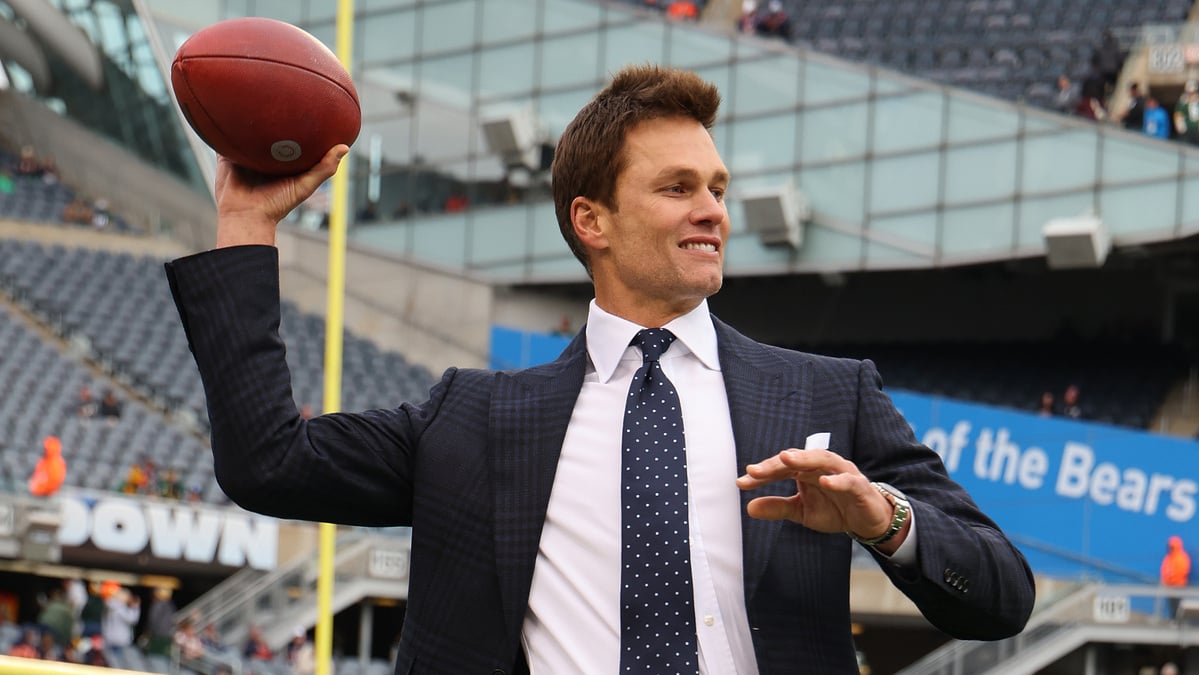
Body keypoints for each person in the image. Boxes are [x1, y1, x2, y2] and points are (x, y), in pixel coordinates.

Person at [165, 64, 1034, 673]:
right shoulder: (471, 418)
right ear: (593, 219)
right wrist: (248, 224)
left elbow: (1001, 594)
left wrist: (885, 519)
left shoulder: (827, 394)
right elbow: (267, 460)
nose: (713, 213)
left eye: (718, 188)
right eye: (678, 188)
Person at [100, 587, 139, 658]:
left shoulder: (110, 605)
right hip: (119, 640)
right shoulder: (119, 607)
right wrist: (135, 607)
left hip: (109, 637)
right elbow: (132, 619)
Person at [1161, 535, 1191, 619]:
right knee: (1172, 605)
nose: (1170, 548)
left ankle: (1179, 621)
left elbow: (1182, 571)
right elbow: (1164, 570)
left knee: (1178, 605)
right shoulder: (1168, 558)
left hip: (1179, 586)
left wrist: (1172, 579)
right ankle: (1173, 620)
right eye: (1170, 546)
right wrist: (1166, 581)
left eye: (1172, 547)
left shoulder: (1182, 558)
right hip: (1170, 587)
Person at [144, 587, 176, 657]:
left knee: (155, 656)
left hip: (157, 635)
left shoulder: (157, 605)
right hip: (166, 635)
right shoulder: (170, 605)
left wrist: (148, 632)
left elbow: (152, 620)